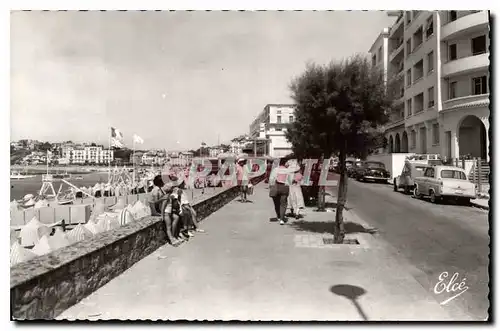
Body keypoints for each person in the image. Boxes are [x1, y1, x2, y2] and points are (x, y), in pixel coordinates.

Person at [269, 158, 290, 225]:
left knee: (276, 203)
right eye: (288, 162)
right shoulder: (288, 171)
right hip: (284, 187)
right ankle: (281, 219)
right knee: (283, 204)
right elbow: (290, 181)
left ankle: (278, 216)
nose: (288, 164)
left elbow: (271, 179)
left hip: (276, 187)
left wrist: (271, 187)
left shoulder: (275, 170)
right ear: (285, 163)